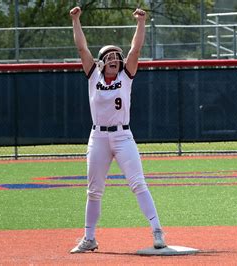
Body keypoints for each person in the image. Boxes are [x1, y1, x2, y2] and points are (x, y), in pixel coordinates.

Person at [69, 6, 167, 253]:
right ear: (102, 62)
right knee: (93, 190)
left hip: (123, 135)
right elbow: (82, 49)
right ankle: (89, 237)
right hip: (98, 136)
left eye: (116, 56)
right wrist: (76, 20)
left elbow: (136, 48)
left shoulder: (126, 76)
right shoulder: (94, 76)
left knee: (138, 183)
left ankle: (157, 230)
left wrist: (141, 22)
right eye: (109, 56)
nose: (114, 59)